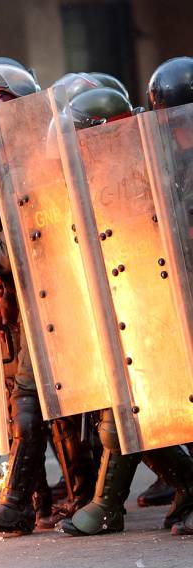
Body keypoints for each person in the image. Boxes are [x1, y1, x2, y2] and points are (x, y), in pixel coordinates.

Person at [0, 60, 98, 534]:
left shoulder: (43, 148)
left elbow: (45, 226)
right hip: (16, 295)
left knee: (39, 395)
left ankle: (37, 500)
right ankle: (39, 500)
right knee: (27, 394)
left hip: (53, 285)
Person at [60, 61, 193, 537]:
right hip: (144, 300)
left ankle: (110, 504)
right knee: (126, 408)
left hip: (175, 300)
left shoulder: (164, 165)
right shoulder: (134, 168)